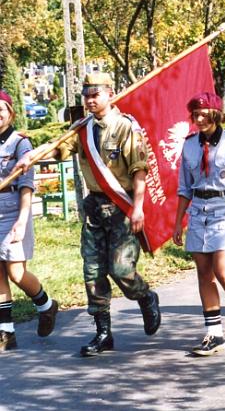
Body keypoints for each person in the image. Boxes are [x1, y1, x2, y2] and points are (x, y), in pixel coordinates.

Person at [17, 73, 160, 357]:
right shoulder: (81, 128)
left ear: (110, 93)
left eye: (96, 94)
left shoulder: (125, 127)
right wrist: (29, 156)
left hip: (121, 206)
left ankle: (145, 297)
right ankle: (103, 333)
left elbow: (139, 170)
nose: (90, 100)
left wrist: (139, 207)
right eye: (87, 95)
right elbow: (58, 148)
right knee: (92, 271)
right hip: (94, 208)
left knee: (121, 270)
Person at [172, 92, 225, 356]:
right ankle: (214, 334)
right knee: (204, 273)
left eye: (203, 113)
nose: (198, 118)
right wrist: (178, 223)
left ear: (215, 114)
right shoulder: (189, 145)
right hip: (198, 210)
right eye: (194, 114)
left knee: (224, 271)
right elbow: (184, 188)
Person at [0, 91, 58, 352]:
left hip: (14, 210)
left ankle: (46, 305)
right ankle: (6, 332)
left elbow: (26, 185)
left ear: (10, 112)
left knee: (15, 272)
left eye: (1, 109)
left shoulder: (20, 144)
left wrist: (22, 220)